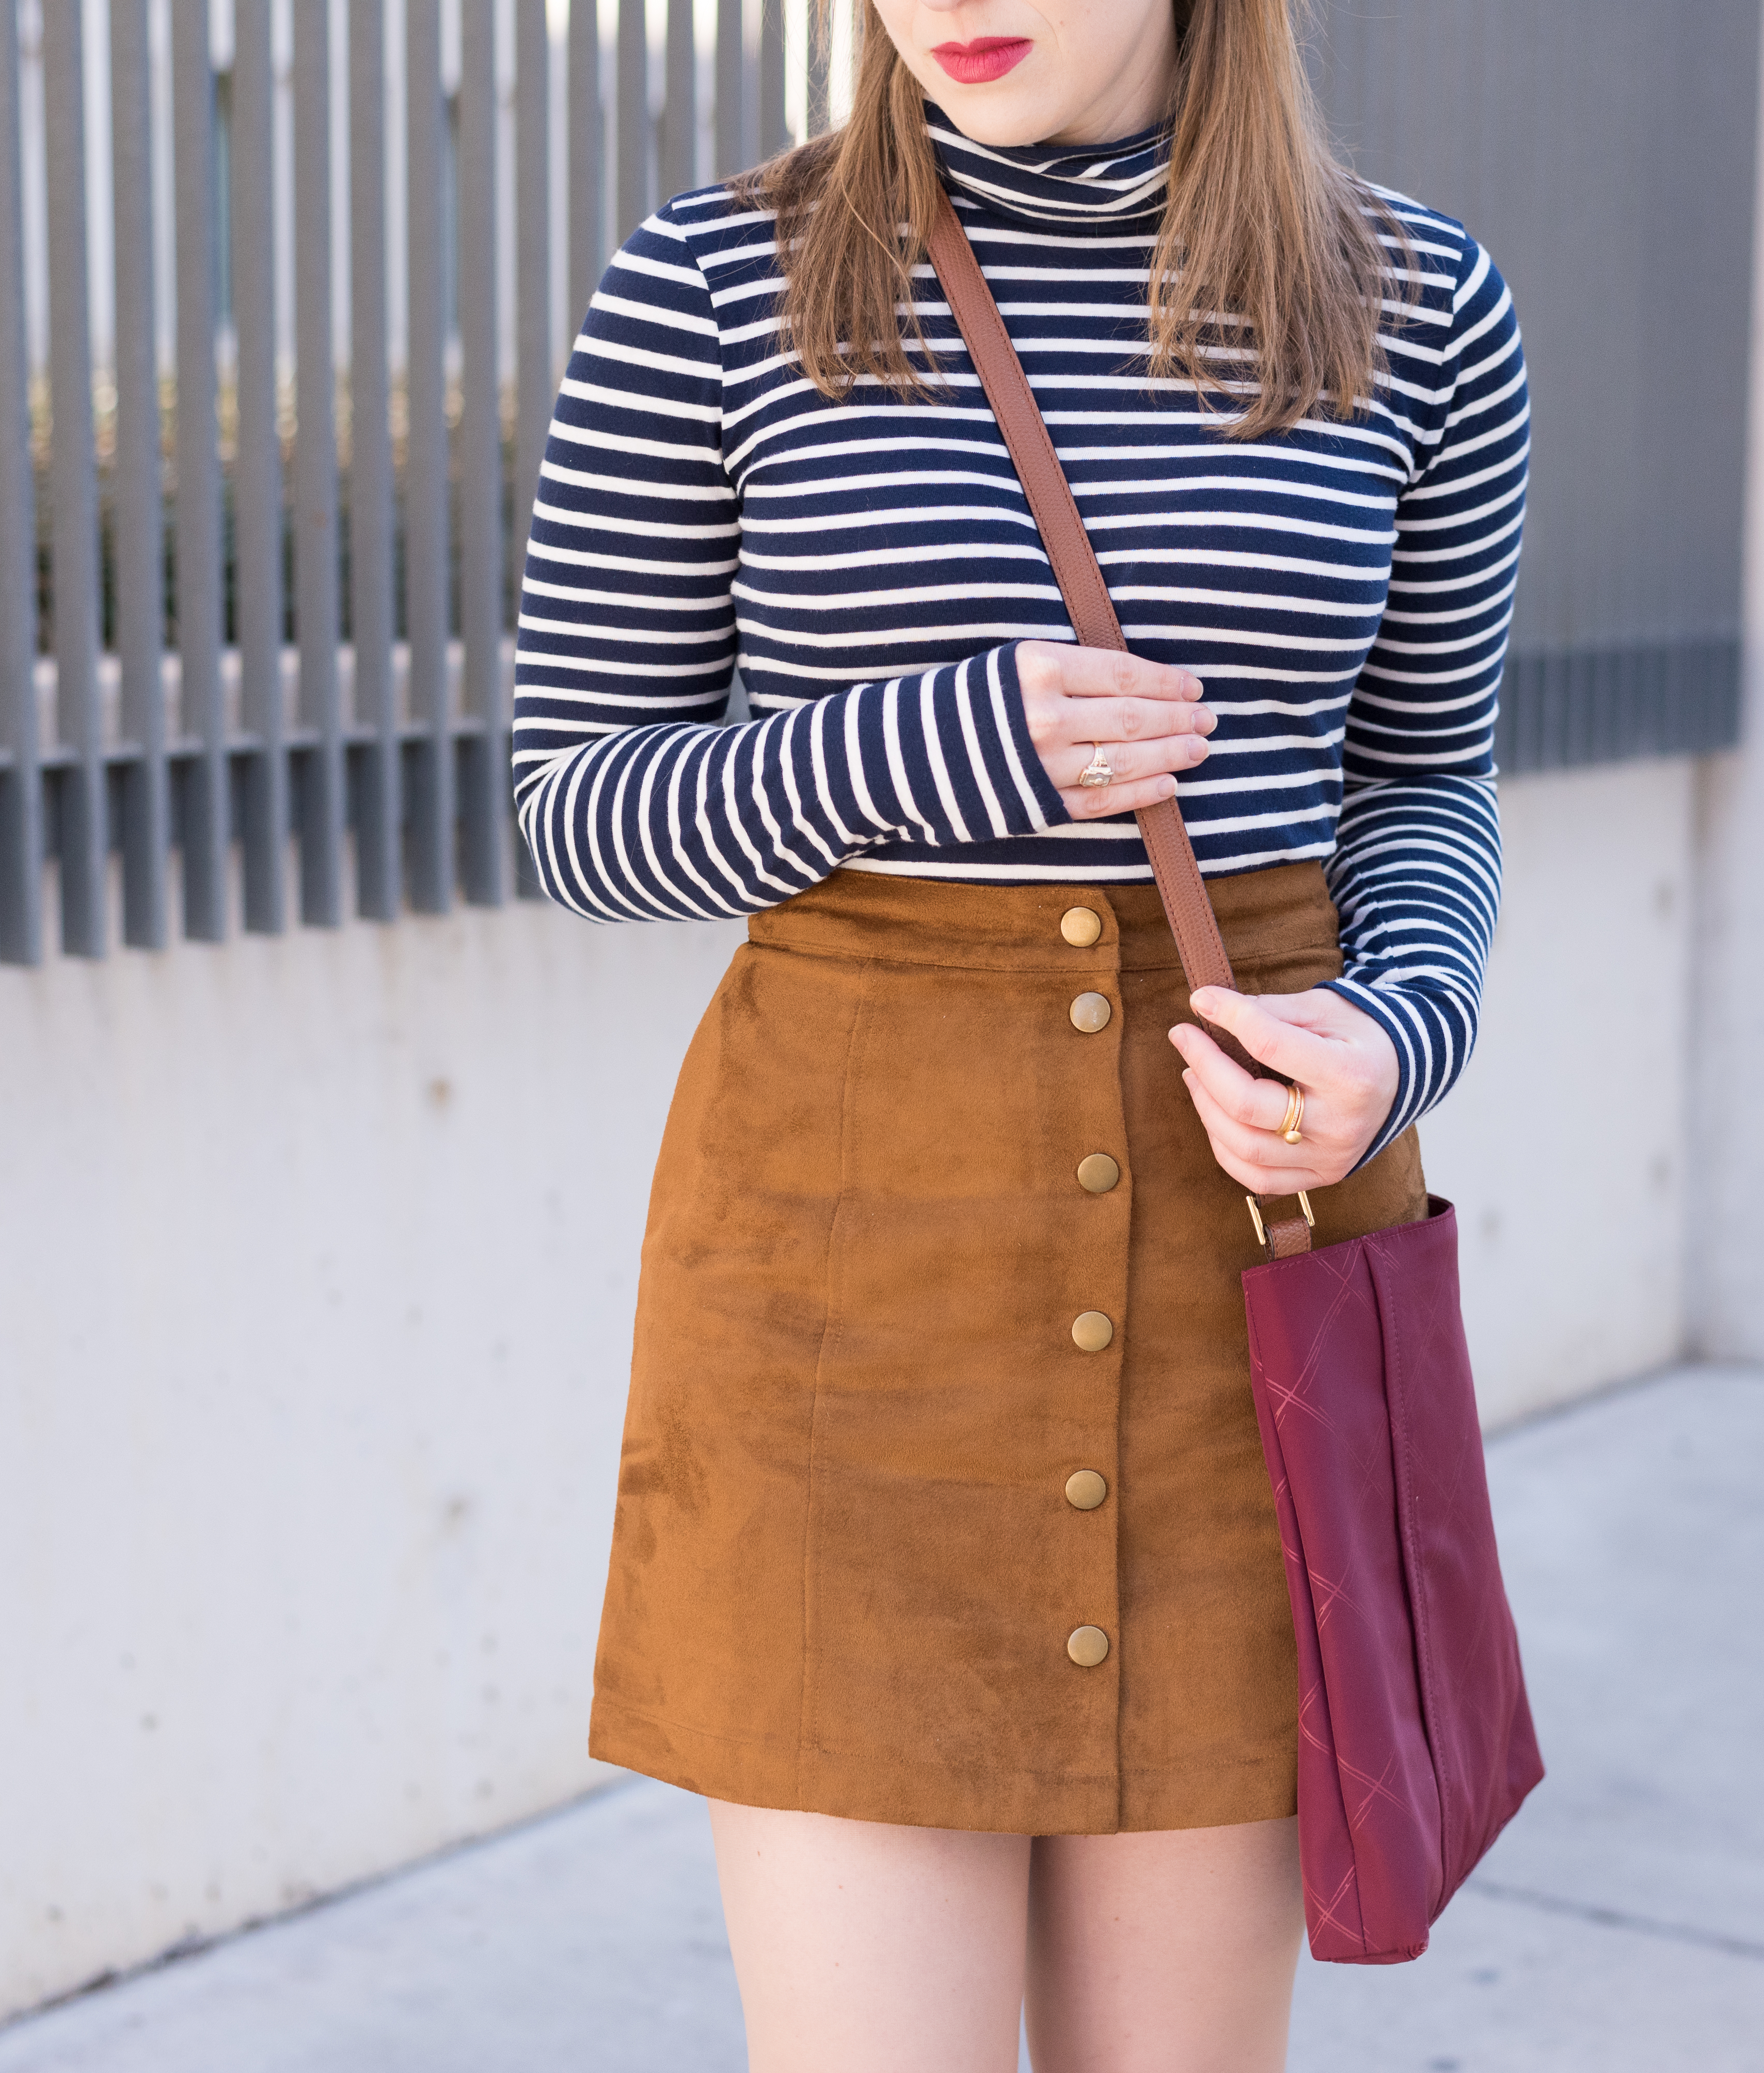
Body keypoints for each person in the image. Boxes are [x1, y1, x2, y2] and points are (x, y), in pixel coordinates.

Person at [508, 2, 1524, 2065]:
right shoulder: (717, 282)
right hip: (845, 1289)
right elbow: (572, 808)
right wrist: (950, 732)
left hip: (1240, 1267)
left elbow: (1423, 777)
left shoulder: (1413, 304)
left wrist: (1395, 1029)